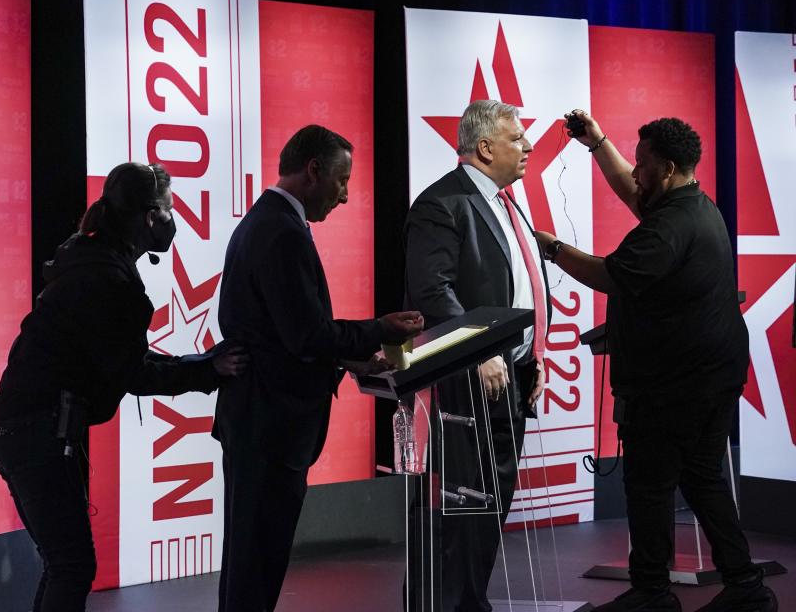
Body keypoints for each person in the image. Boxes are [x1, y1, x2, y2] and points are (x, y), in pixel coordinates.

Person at [535, 112, 777, 612]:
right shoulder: (689, 204)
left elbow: (607, 276)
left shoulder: (670, 227)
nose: (636, 171)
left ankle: (651, 594)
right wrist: (598, 141)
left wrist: (550, 248)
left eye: (643, 163)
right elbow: (632, 191)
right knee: (703, 477)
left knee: (648, 484)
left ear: (665, 169)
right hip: (712, 374)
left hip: (675, 383)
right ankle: (747, 587)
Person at [0, 162, 248, 612]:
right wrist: (210, 370)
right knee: (71, 566)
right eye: (167, 211)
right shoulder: (109, 278)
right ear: (149, 218)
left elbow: (123, 361)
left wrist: (202, 364)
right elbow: (135, 373)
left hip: (21, 429)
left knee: (62, 563)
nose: (171, 221)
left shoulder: (88, 257)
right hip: (36, 434)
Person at [213, 124, 425, 612]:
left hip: (259, 423)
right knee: (256, 566)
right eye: (343, 180)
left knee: (252, 562)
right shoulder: (280, 231)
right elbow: (305, 334)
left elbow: (286, 333)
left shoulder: (267, 222)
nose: (346, 196)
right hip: (270, 426)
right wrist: (379, 329)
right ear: (314, 171)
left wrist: (349, 355)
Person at [404, 99, 549, 612]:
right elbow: (432, 290)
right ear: (486, 147)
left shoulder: (504, 202)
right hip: (465, 382)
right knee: (461, 507)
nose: (528, 146)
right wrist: (480, 350)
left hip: (510, 376)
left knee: (491, 505)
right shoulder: (442, 203)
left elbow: (519, 284)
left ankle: (471, 601)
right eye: (517, 138)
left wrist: (535, 358)